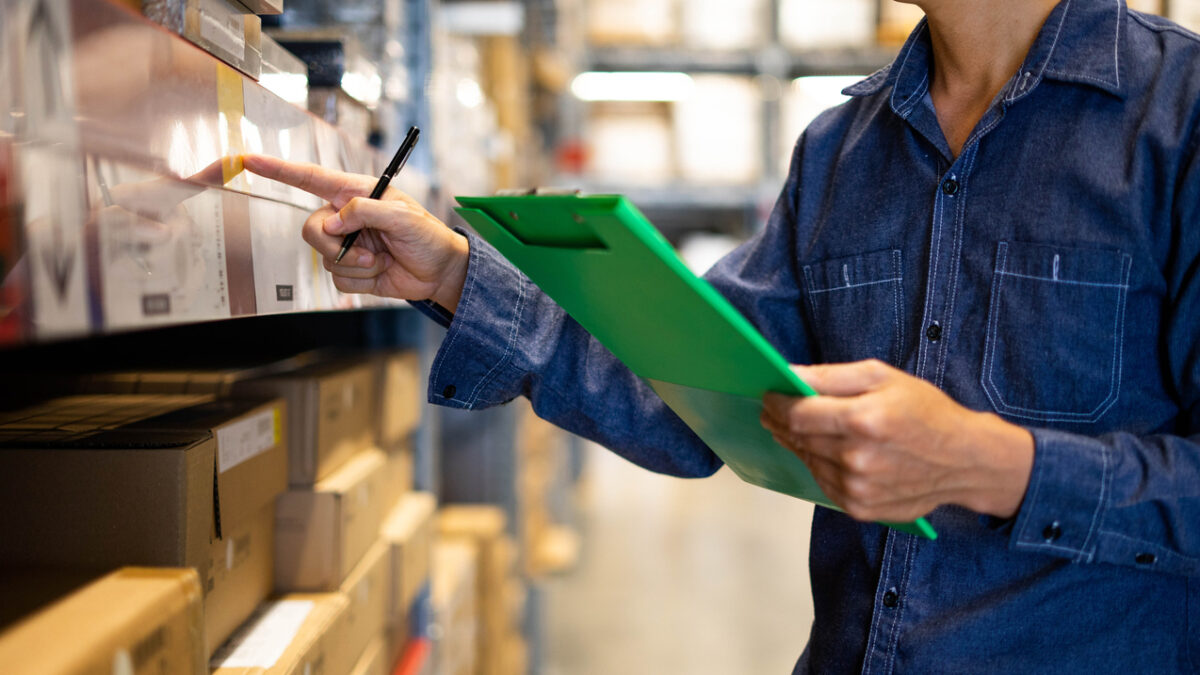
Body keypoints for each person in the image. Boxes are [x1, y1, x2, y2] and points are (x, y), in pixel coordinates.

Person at [245, 0, 1200, 670]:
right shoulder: (843, 152)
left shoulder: (1179, 120)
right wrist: (453, 273)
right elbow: (694, 398)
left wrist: (993, 464)